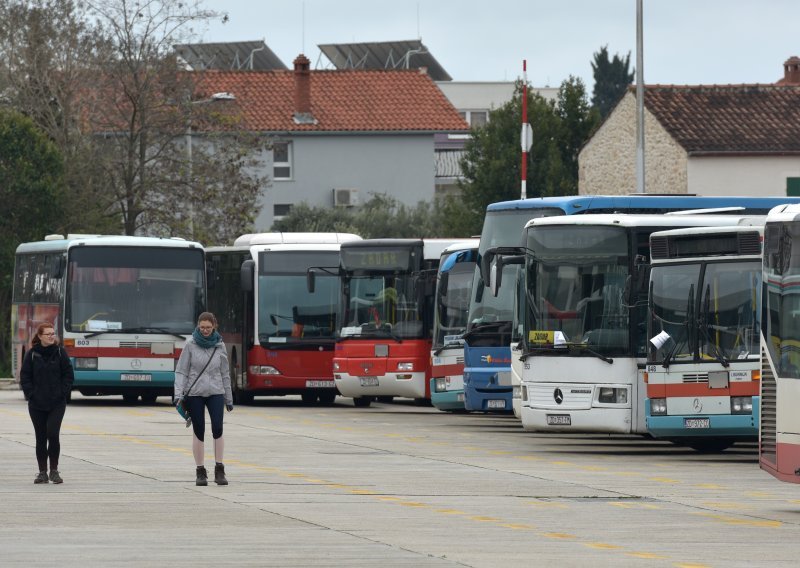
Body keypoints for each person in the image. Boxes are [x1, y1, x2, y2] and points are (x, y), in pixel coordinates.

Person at [174, 312, 233, 486]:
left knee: (218, 428)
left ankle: (219, 469)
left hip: (216, 391)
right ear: (198, 327)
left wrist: (228, 398)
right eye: (202, 327)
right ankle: (200, 471)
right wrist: (178, 395)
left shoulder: (220, 345)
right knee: (199, 430)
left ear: (214, 326)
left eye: (208, 327)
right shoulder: (190, 345)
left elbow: (225, 373)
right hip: (195, 393)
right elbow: (181, 371)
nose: (205, 330)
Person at [19, 322, 74, 484]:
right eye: (48, 334)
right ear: (40, 336)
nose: (51, 336)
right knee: (41, 437)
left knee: (53, 434)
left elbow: (68, 375)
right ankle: (42, 472)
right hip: (37, 404)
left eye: (53, 333)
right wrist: (31, 394)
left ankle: (54, 471)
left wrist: (62, 392)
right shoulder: (31, 354)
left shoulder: (60, 353)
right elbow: (25, 377)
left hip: (57, 403)